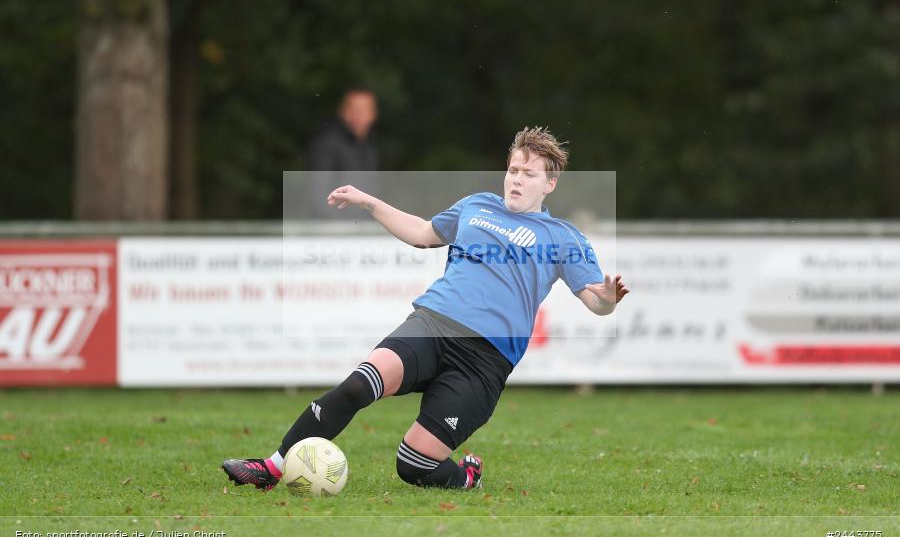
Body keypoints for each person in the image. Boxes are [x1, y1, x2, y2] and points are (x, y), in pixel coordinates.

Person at [224, 127, 629, 490]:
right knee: (357, 385)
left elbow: (595, 300)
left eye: (529, 174)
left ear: (550, 184)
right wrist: (368, 202)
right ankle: (271, 468)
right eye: (513, 170)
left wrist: (607, 300)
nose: (517, 179)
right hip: (432, 325)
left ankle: (466, 477)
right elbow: (422, 233)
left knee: (414, 465)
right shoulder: (477, 206)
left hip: (485, 361)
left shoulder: (563, 237)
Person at [306, 88, 379, 220]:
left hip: (362, 227)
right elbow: (319, 196)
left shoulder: (368, 149)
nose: (357, 115)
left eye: (363, 110)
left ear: (373, 114)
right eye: (353, 109)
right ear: (342, 111)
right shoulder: (326, 146)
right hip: (336, 228)